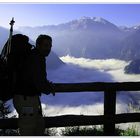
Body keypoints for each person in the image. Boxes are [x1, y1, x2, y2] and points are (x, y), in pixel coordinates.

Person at [13, 34, 55, 136]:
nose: (48, 48)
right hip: (26, 100)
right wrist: (49, 88)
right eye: (46, 45)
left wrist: (46, 84)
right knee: (28, 130)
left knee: (38, 126)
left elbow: (34, 77)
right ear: (38, 45)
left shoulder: (35, 56)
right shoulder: (36, 58)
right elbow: (38, 81)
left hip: (29, 99)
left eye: (50, 46)